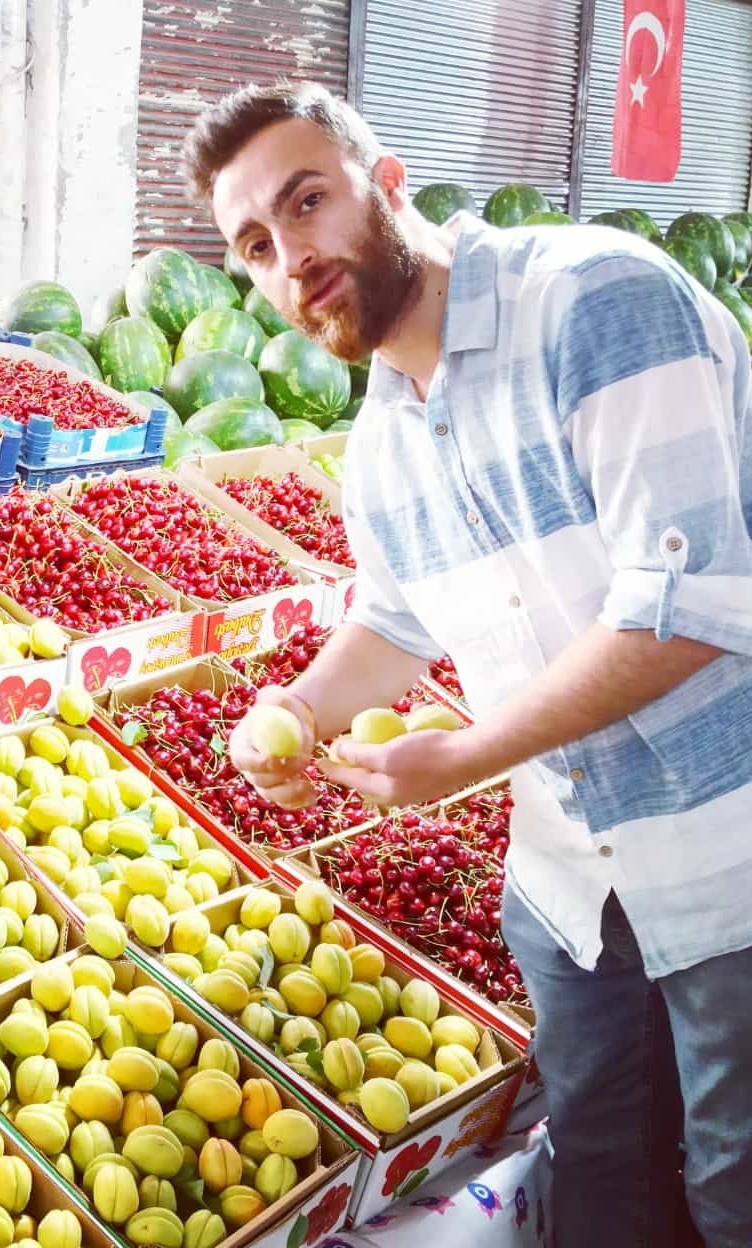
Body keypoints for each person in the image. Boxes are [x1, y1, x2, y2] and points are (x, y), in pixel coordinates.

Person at [185, 81, 752, 1248]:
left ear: (385, 181)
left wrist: (468, 756)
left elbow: (681, 607)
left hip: (722, 856)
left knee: (733, 1189)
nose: (290, 256)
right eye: (254, 245)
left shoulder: (595, 300)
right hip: (569, 885)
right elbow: (395, 621)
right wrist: (292, 705)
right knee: (598, 1171)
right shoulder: (382, 437)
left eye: (307, 202)